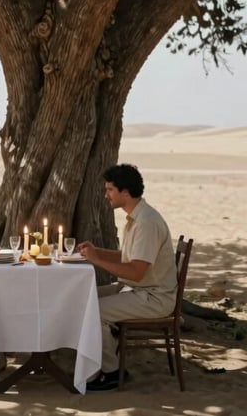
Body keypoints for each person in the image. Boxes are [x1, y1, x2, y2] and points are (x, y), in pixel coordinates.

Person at [77, 163, 178, 391]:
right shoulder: (136, 217)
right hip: (137, 289)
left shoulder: (147, 223)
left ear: (125, 192)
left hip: (153, 297)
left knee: (93, 311)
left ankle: (112, 372)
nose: (106, 195)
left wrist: (96, 260)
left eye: (110, 190)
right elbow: (128, 256)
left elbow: (136, 271)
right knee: (83, 297)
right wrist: (96, 251)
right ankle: (100, 357)